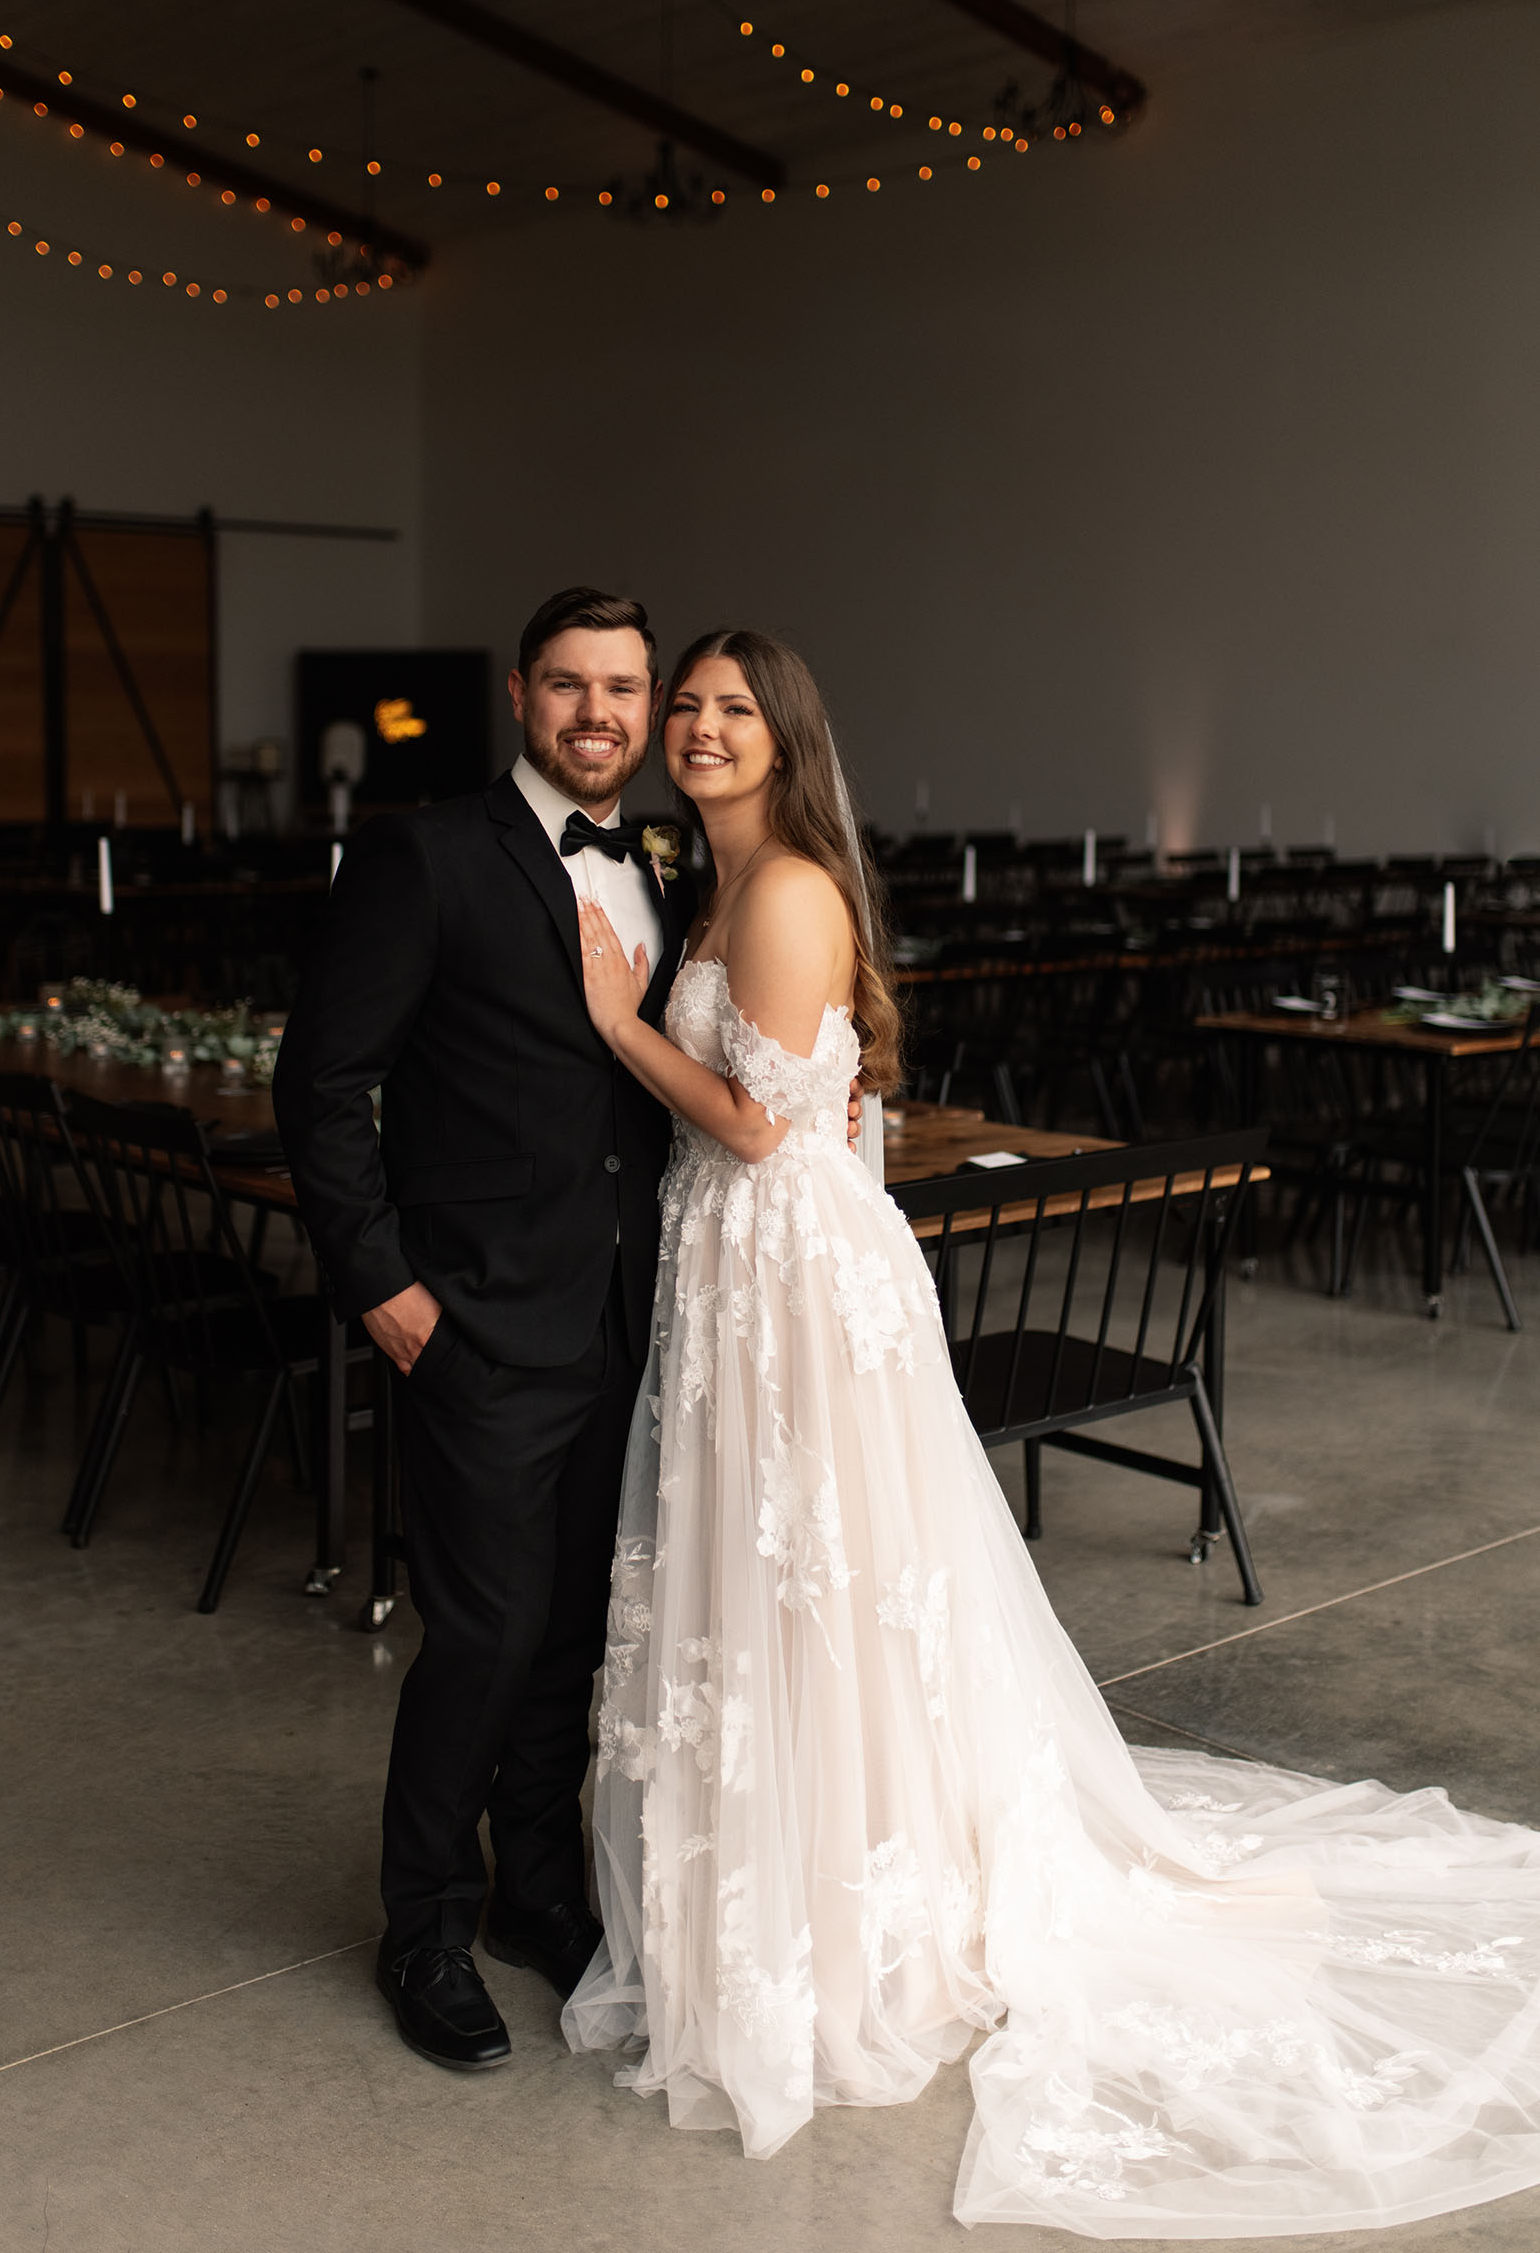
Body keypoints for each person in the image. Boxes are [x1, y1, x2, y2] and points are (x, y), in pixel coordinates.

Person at [562, 627, 1540, 2236]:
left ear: (787, 738)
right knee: (774, 1573)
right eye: (690, 707)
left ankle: (858, 1895)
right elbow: (830, 1109)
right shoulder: (711, 881)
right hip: (754, 1266)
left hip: (789, 1273)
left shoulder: (791, 888)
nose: (700, 728)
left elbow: (752, 1118)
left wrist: (615, 1020)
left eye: (734, 710)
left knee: (818, 1572)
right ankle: (789, 1869)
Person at [272, 590, 697, 2073]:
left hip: (625, 1318)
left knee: (576, 1628)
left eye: (626, 688)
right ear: (521, 696)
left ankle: (539, 1890)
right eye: (571, 685)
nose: (601, 713)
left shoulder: (666, 865)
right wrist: (383, 1288)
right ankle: (426, 1925)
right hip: (470, 1323)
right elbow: (320, 1084)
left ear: (648, 709)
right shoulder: (426, 853)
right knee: (484, 1633)